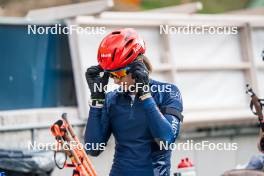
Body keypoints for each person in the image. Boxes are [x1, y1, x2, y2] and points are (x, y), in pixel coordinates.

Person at [84, 28, 183, 176]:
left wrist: (145, 95)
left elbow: (166, 140)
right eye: (111, 75)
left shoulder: (168, 92)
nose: (116, 81)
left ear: (138, 65)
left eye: (119, 73)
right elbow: (93, 148)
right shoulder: (111, 99)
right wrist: (97, 99)